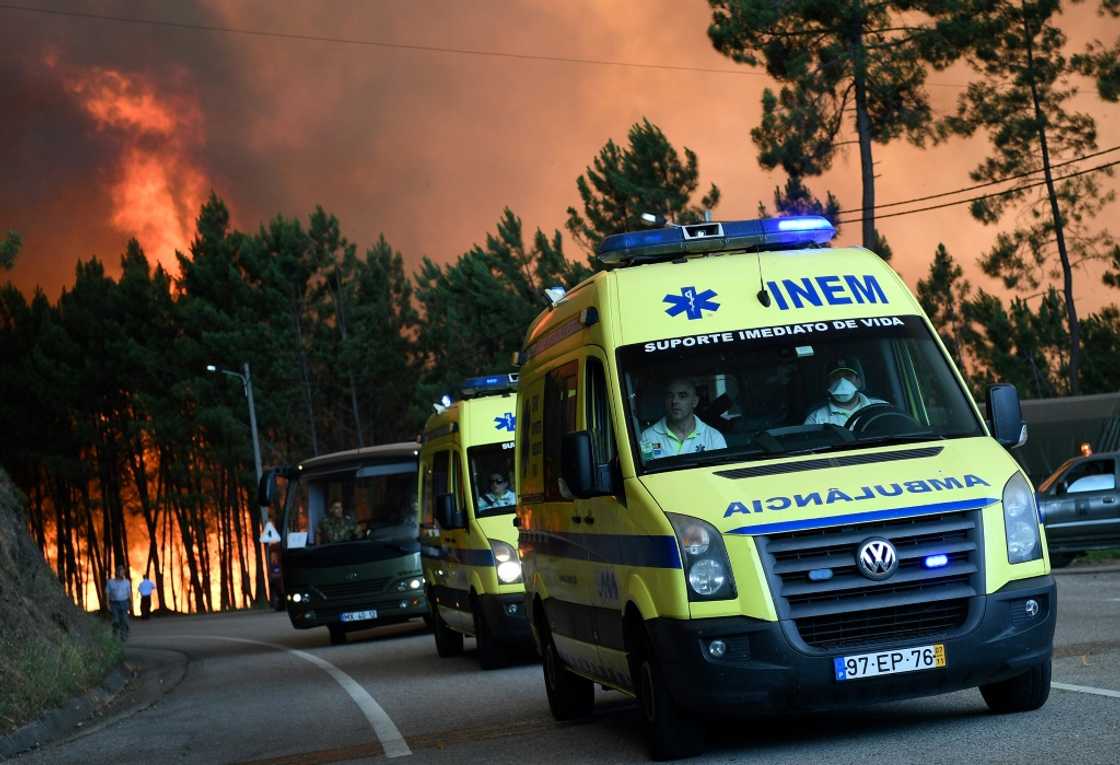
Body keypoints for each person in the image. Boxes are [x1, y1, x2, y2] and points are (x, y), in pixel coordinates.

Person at [640, 378, 727, 460]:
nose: (674, 401)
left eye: (682, 396)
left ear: (695, 402)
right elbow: (646, 471)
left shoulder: (714, 437)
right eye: (670, 396)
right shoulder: (648, 437)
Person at [804, 361, 886, 427]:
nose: (842, 382)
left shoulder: (882, 407)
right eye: (836, 377)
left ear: (859, 382)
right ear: (827, 384)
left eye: (848, 376)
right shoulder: (816, 418)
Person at [106, 565, 131, 641]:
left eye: (123, 571)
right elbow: (107, 593)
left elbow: (129, 593)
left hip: (124, 602)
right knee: (116, 620)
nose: (122, 573)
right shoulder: (111, 582)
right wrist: (107, 604)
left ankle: (123, 635)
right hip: (114, 604)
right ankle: (115, 633)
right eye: (121, 571)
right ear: (117, 572)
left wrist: (131, 603)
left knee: (124, 620)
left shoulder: (127, 582)